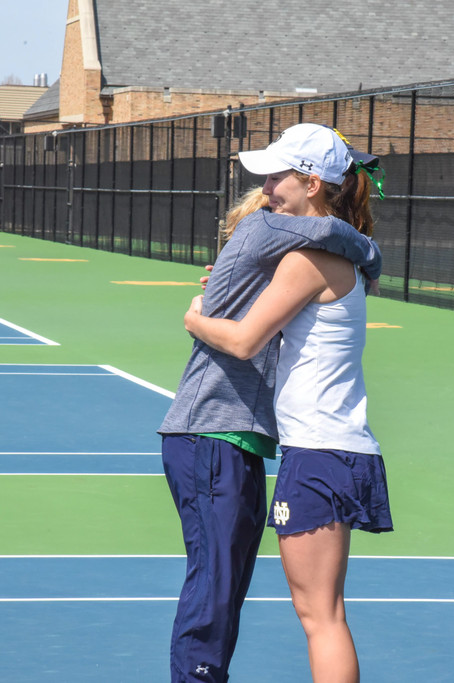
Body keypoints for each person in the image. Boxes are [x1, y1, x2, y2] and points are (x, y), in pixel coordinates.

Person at [158, 123, 383, 683]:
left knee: (300, 611)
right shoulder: (302, 245)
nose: (264, 187)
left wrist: (194, 317)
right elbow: (343, 234)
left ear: (312, 184)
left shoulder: (302, 250)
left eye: (278, 175)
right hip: (280, 438)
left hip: (296, 446)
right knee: (267, 598)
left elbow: (245, 338)